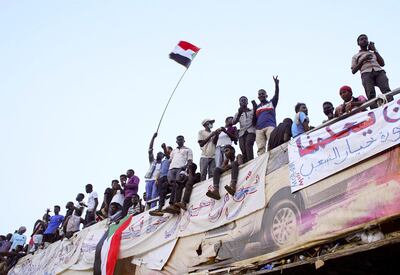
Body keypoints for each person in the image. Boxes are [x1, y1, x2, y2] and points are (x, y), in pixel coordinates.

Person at [351, 34, 392, 108]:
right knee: (371, 94)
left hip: (379, 71)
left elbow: (382, 63)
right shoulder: (355, 56)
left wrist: (375, 50)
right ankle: (375, 111)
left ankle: (392, 108)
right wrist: (363, 59)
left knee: (386, 90)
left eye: (365, 39)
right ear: (358, 43)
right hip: (366, 73)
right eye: (362, 39)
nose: (364, 40)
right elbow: (353, 71)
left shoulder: (373, 53)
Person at [253, 76, 280, 156]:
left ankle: (275, 157)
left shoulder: (271, 103)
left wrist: (276, 85)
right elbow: (254, 121)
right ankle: (262, 163)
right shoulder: (257, 107)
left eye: (263, 94)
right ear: (258, 97)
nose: (261, 95)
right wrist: (254, 108)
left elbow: (276, 95)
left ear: (266, 95)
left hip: (270, 126)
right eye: (259, 94)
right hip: (259, 129)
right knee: (260, 148)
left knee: (273, 142)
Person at [167, 135, 193, 208]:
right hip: (171, 169)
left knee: (177, 184)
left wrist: (184, 168)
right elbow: (169, 160)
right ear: (176, 141)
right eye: (178, 140)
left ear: (184, 141)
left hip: (180, 168)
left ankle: (174, 204)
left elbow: (190, 161)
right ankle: (172, 204)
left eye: (181, 139)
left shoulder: (188, 149)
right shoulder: (173, 151)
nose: (180, 141)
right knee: (172, 185)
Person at [149, 144, 173, 216]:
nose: (167, 150)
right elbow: (160, 171)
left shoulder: (171, 158)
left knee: (165, 191)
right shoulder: (163, 161)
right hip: (161, 178)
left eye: (168, 149)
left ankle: (164, 208)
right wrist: (157, 178)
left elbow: (167, 154)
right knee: (161, 193)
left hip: (167, 177)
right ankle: (160, 208)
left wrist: (164, 148)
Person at [232, 96, 256, 163]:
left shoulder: (252, 111)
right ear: (239, 103)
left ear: (247, 102)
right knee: (243, 149)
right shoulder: (238, 113)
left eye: (245, 100)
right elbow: (233, 122)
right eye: (242, 100)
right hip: (242, 133)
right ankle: (246, 163)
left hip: (251, 131)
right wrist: (239, 113)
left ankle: (251, 162)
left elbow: (255, 120)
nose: (243, 101)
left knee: (248, 144)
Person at [144, 133, 164, 208]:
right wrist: (153, 138)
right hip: (149, 180)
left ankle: (153, 209)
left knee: (154, 196)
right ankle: (147, 210)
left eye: (160, 154)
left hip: (156, 181)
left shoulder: (163, 164)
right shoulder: (153, 161)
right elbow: (150, 150)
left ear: (163, 156)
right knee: (148, 196)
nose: (158, 155)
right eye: (158, 154)